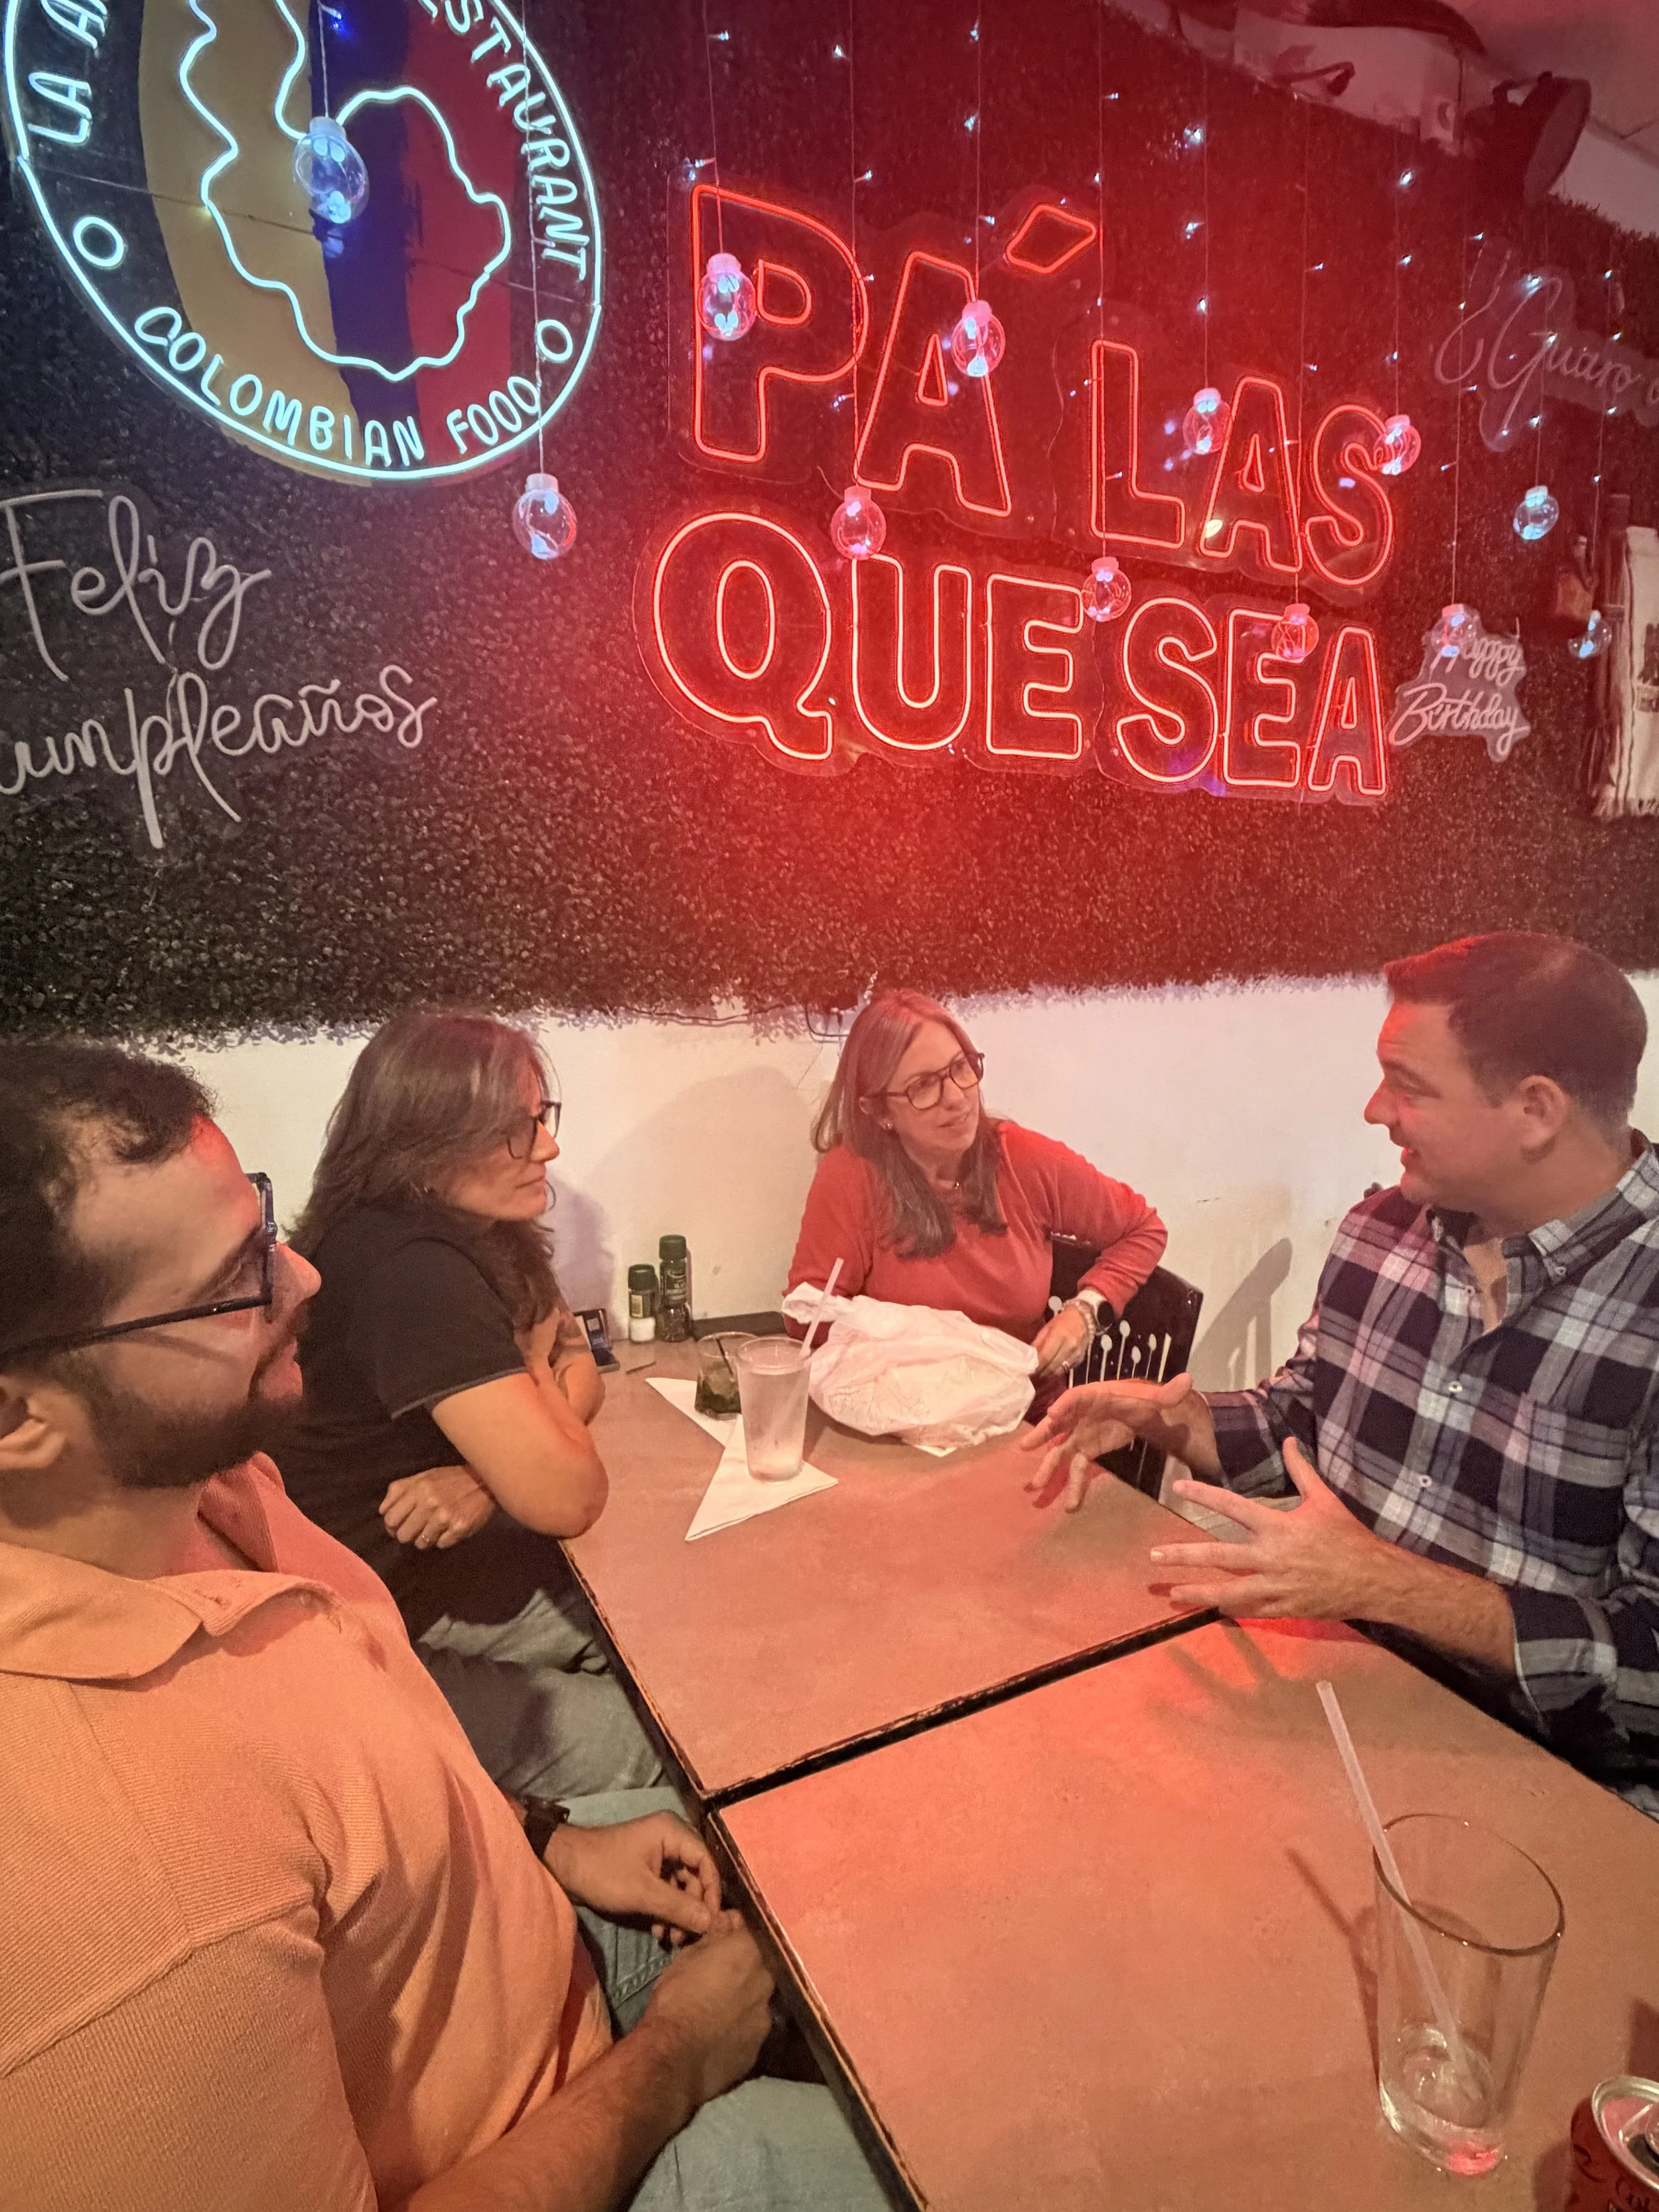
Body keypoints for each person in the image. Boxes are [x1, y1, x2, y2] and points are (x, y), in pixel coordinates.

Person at [0, 1039, 889, 2212]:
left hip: (549, 1938)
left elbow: (371, 1772)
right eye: (234, 1282)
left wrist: (550, 1837)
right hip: (569, 2125)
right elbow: (564, 1478)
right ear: (19, 1414)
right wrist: (672, 2056)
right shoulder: (122, 1903)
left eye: (265, 1225)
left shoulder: (214, 1489)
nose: (308, 1279)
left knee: (835, 1855)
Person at [1025, 932, 1659, 1815]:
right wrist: (1168, 1418)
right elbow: (1307, 1417)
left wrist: (1391, 1587)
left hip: (1550, 1797)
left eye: (1409, 1084)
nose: (1374, 1109)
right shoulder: (1384, 1228)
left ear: (1537, 1110)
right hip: (1332, 1709)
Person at [279, 1008, 660, 1800]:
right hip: (372, 1631)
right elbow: (568, 1494)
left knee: (669, 1639)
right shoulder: (410, 1269)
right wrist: (526, 1381)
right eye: (517, 1129)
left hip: (448, 1570)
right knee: (658, 1743)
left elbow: (579, 1366)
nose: (548, 1148)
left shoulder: (479, 1227)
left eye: (540, 1119)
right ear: (429, 1137)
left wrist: (484, 1478)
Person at [788, 988, 1167, 1382]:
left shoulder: (1023, 1159)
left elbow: (1143, 1229)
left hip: (1024, 1411)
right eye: (923, 1086)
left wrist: (1087, 1311)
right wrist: (921, 1339)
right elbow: (804, 1319)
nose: (956, 1098)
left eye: (960, 1067)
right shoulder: (852, 1174)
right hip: (902, 1410)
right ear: (879, 1111)